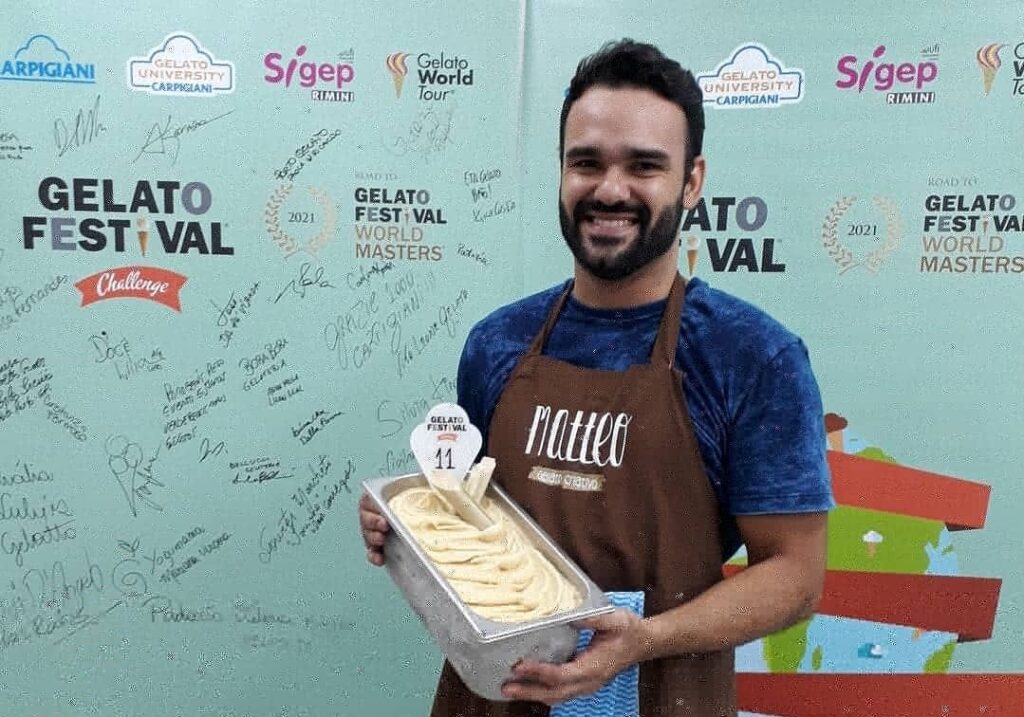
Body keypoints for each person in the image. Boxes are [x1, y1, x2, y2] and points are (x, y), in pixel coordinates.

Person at [359, 39, 833, 717]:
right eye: (586, 162)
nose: (610, 189)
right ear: (561, 171)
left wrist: (646, 639)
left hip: (662, 696)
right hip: (494, 698)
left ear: (692, 181)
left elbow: (795, 576)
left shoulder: (753, 356)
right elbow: (474, 517)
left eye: (644, 165)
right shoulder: (497, 343)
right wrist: (410, 527)